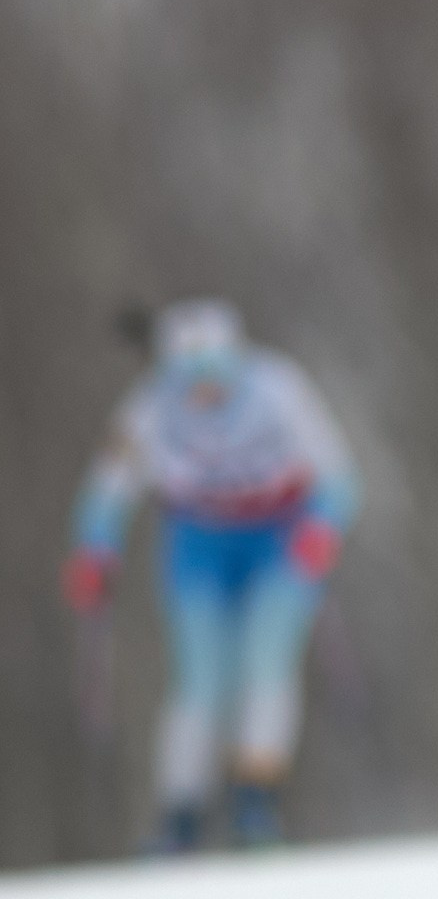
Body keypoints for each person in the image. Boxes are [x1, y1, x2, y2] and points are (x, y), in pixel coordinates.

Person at [60, 301, 362, 852]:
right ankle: (181, 811)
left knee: (267, 659)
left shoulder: (279, 390)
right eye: (190, 381)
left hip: (279, 541)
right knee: (201, 678)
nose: (204, 393)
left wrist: (323, 526)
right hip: (198, 547)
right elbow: (108, 489)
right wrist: (95, 549)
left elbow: (338, 474)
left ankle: (257, 795)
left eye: (215, 377)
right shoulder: (152, 408)